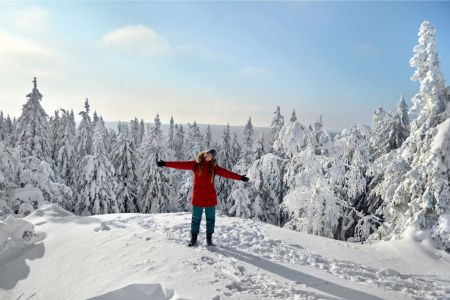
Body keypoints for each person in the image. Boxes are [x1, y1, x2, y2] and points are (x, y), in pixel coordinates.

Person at [156, 148, 249, 246]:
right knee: (196, 219)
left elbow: (227, 173)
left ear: (213, 158)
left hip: (210, 198)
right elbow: (181, 164)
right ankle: (194, 239)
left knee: (211, 219)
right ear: (205, 154)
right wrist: (165, 163)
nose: (208, 156)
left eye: (210, 156)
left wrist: (240, 177)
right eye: (207, 154)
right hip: (198, 197)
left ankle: (209, 239)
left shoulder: (214, 167)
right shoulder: (196, 164)